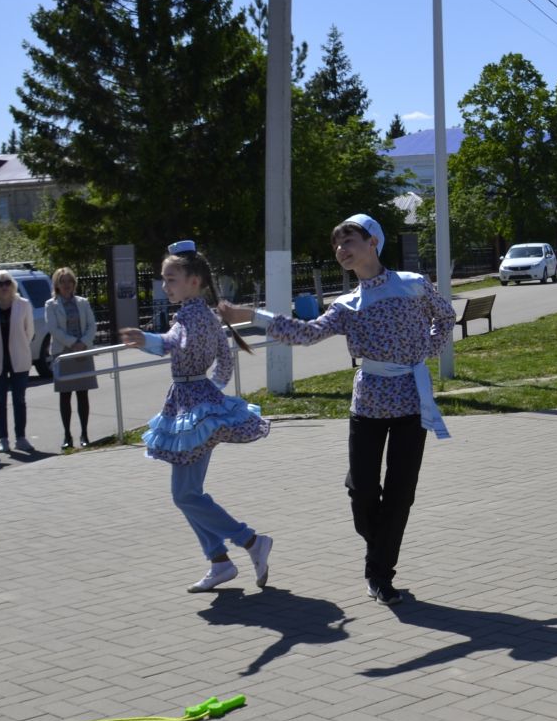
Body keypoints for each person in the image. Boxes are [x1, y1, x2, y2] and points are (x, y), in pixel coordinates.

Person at [222, 214, 455, 606]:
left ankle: (380, 574)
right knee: (362, 491)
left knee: (400, 494)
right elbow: (306, 333)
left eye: (349, 241)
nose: (341, 250)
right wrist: (251, 316)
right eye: (337, 245)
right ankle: (378, 548)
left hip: (412, 404)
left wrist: (425, 351)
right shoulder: (347, 304)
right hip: (367, 405)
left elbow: (445, 317)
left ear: (372, 243)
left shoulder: (413, 286)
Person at [122, 241, 273, 592]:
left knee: (186, 495)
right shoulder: (207, 315)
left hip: (191, 408)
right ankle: (219, 561)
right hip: (198, 404)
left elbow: (173, 343)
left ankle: (250, 542)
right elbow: (225, 359)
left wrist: (144, 338)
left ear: (194, 281)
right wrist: (213, 393)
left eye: (171, 278)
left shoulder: (189, 316)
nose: (165, 285)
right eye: (164, 278)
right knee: (190, 492)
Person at [0, 271, 36, 454]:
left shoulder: (23, 304)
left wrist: (17, 346)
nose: (4, 287)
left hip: (19, 358)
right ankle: (2, 439)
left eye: (7, 283)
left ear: (13, 285)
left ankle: (21, 437)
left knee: (19, 400)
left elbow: (29, 332)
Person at [45, 267, 99, 451]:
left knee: (82, 393)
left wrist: (83, 343)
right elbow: (53, 329)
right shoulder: (51, 305)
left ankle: (84, 434)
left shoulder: (83, 302)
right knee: (65, 394)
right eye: (62, 282)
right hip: (63, 353)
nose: (66, 285)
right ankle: (67, 435)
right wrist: (72, 343)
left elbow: (92, 325)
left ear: (74, 284)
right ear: (57, 285)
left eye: (69, 281)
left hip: (82, 351)